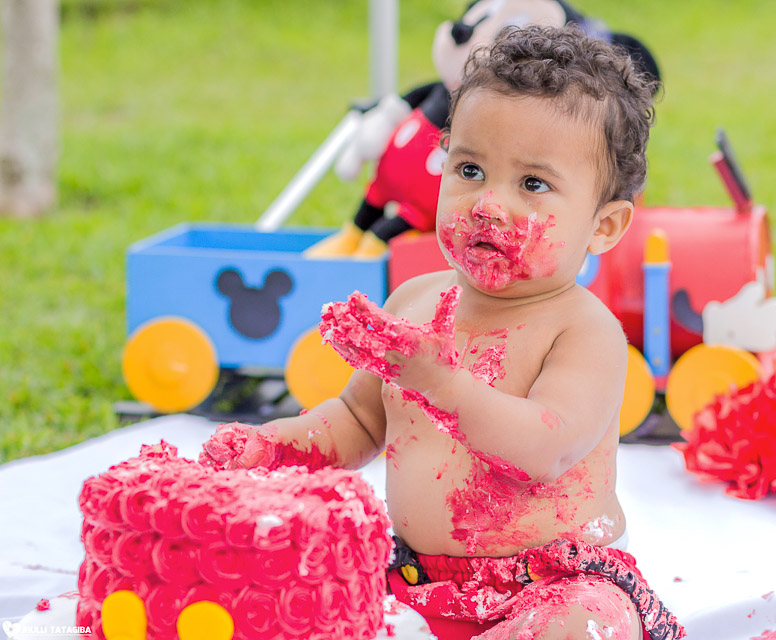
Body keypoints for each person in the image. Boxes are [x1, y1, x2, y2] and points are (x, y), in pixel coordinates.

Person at [201, 24, 683, 640]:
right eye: (471, 169)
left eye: (533, 184)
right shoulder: (414, 301)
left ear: (605, 226)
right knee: (295, 598)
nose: (487, 204)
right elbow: (359, 420)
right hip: (410, 578)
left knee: (576, 628)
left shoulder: (583, 332)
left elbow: (543, 449)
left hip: (549, 584)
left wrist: (439, 381)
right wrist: (277, 447)